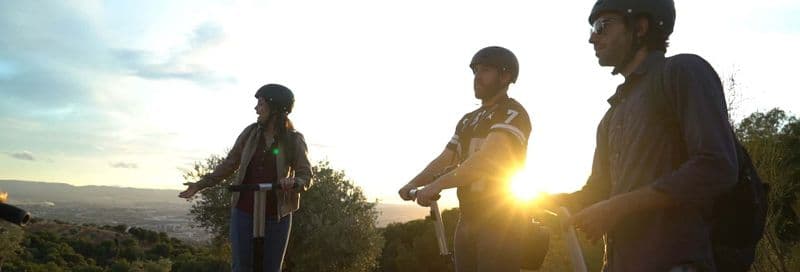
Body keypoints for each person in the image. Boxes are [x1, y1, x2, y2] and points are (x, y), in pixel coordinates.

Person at [546, 0, 739, 271]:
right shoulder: (611, 116)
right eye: (592, 28)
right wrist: (545, 203)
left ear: (640, 26)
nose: (592, 37)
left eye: (602, 26)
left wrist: (617, 208)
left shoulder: (682, 71)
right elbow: (598, 191)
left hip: (677, 263)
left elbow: (716, 165)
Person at [398, 46, 532, 272]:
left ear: (506, 76)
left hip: (501, 221)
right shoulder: (468, 120)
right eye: (475, 71)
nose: (477, 77)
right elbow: (446, 158)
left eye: (486, 70)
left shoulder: (513, 113)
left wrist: (435, 186)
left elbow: (487, 161)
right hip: (467, 219)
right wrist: (414, 183)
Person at [179, 84, 312, 272]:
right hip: (244, 210)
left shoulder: (293, 139)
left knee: (271, 269)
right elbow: (229, 163)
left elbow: (305, 174)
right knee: (241, 267)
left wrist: (295, 182)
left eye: (261, 103)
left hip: (277, 214)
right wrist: (200, 185)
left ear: (275, 108)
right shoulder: (250, 133)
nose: (256, 109)